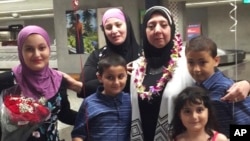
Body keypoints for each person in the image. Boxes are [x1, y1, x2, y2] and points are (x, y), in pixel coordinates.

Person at [129, 6, 250, 141]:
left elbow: (244, 126)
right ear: (144, 30)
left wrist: (247, 84)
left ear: (172, 28)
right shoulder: (136, 67)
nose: (196, 69)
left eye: (164, 25)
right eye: (151, 26)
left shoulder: (183, 60)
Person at [0, 25, 77, 141]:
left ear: (49, 49)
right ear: (21, 51)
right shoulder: (7, 80)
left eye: (42, 48)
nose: (37, 54)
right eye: (29, 49)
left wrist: (93, 114)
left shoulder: (58, 80)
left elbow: (64, 114)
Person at [185, 35, 250, 137]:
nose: (196, 69)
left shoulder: (228, 89)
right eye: (191, 62)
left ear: (216, 61)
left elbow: (244, 127)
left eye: (202, 63)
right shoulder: (196, 87)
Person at [77, 8, 142, 98]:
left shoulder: (143, 55)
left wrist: (106, 78)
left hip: (137, 110)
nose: (114, 31)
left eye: (118, 25)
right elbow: (84, 88)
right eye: (108, 27)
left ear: (127, 25)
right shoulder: (97, 56)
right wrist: (120, 74)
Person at [71, 53, 131, 141]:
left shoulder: (131, 101)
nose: (116, 82)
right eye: (110, 77)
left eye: (121, 77)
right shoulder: (89, 103)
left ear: (127, 75)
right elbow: (78, 134)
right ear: (100, 77)